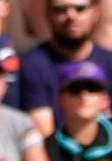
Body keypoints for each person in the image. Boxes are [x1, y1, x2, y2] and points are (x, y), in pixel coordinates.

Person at [20, 0, 112, 137]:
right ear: (48, 15)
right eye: (61, 10)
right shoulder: (32, 63)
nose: (71, 16)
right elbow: (44, 136)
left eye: (80, 9)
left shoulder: (109, 61)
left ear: (95, 13)